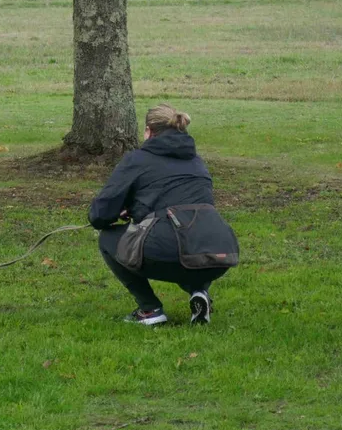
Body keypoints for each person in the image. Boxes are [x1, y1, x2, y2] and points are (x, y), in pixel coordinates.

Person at [89, 103, 236, 326]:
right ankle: (199, 292)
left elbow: (100, 215)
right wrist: (140, 210)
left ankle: (150, 309)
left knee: (108, 238)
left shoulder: (136, 160)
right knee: (189, 240)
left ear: (148, 131)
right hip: (220, 253)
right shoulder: (197, 162)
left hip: (172, 250)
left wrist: (120, 213)